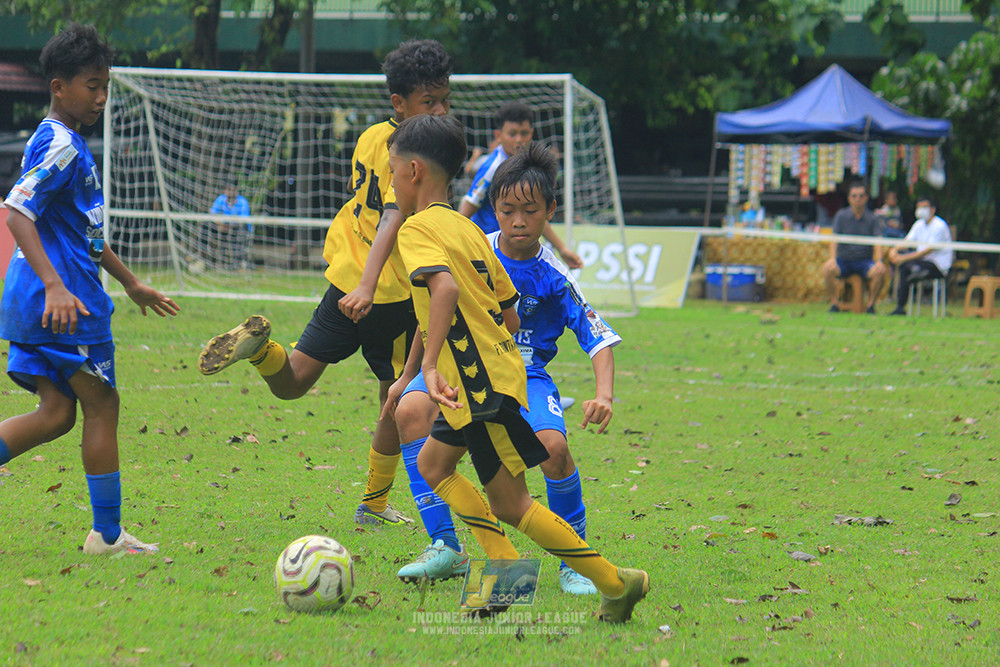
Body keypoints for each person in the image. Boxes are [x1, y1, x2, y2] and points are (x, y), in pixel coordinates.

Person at [385, 113, 649, 622]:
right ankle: (546, 574)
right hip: (491, 376)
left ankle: (603, 579)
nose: (392, 183)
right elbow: (506, 306)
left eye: (393, 173)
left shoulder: (418, 229)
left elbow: (444, 290)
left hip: (477, 384)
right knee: (438, 468)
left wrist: (435, 363)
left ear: (413, 171)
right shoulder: (466, 229)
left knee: (511, 502)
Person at [197, 39, 454, 526]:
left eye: (446, 100)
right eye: (430, 102)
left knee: (292, 381)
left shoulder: (371, 136)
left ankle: (260, 351)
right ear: (399, 104)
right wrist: (371, 285)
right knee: (396, 398)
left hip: (344, 278)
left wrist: (358, 283)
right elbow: (392, 220)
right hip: (390, 294)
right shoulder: (415, 154)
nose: (440, 110)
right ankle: (374, 507)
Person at [0, 24, 180, 555]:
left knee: (56, 414)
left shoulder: (59, 138)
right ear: (59, 87)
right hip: (65, 305)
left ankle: (107, 533)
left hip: (37, 302)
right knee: (103, 407)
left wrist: (131, 283)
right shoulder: (62, 147)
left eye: (105, 86)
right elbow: (16, 213)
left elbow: (84, 234)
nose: (101, 97)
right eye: (90, 85)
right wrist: (56, 287)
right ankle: (107, 536)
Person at [458, 101, 582, 269]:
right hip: (488, 252)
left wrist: (562, 249)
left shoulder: (527, 169)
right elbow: (470, 204)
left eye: (524, 134)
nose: (519, 140)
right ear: (498, 135)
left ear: (531, 133)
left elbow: (533, 214)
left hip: (514, 249)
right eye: (512, 134)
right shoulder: (493, 167)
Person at [821, 181, 887, 314]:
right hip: (843, 260)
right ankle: (834, 303)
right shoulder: (841, 216)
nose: (858, 199)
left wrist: (879, 261)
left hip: (864, 261)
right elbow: (834, 240)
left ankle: (871, 305)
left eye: (861, 196)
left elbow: (878, 242)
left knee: (880, 272)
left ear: (866, 198)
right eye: (854, 196)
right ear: (849, 199)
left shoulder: (873, 219)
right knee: (827, 269)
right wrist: (832, 259)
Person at [887, 196, 953, 316]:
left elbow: (927, 251)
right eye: (919, 207)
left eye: (924, 207)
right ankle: (900, 307)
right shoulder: (919, 224)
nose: (921, 210)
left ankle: (918, 279)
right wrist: (894, 250)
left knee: (906, 265)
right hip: (922, 262)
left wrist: (903, 258)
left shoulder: (939, 225)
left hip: (937, 265)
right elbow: (908, 241)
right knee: (905, 267)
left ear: (932, 210)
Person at [208, 183, 252, 270]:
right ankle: (203, 259)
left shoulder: (242, 201)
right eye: (228, 189)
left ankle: (238, 263)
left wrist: (227, 226)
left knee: (240, 231)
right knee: (207, 225)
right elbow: (212, 214)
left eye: (233, 190)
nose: (230, 192)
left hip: (238, 229)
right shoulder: (221, 199)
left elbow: (243, 221)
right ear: (225, 190)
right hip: (223, 227)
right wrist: (220, 224)